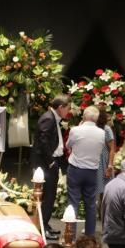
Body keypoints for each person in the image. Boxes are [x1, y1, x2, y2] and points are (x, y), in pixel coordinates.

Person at [32, 95, 72, 238]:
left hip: (50, 163)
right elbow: (43, 142)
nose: (69, 111)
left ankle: (45, 223)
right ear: (60, 107)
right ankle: (42, 227)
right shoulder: (49, 118)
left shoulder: (52, 117)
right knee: (48, 196)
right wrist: (51, 162)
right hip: (46, 165)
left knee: (50, 196)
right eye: (68, 108)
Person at [67, 105, 105, 236]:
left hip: (76, 170)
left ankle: (70, 236)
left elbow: (68, 145)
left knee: (73, 202)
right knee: (90, 205)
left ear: (83, 117)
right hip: (92, 172)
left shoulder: (75, 130)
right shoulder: (102, 133)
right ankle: (89, 237)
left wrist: (79, 126)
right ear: (96, 119)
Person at [95, 102, 118, 204]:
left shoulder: (106, 129)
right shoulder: (90, 127)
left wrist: (110, 166)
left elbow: (112, 149)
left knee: (104, 192)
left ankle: (105, 215)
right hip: (94, 162)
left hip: (104, 163)